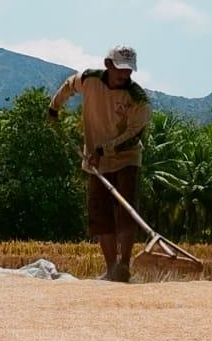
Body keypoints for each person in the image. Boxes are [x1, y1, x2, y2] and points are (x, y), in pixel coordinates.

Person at [47, 45, 152, 282]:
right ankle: (111, 267)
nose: (125, 75)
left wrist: (105, 149)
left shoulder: (138, 99)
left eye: (129, 71)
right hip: (95, 161)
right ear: (108, 65)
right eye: (121, 69)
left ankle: (124, 265)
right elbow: (68, 86)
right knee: (100, 214)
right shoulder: (89, 79)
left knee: (127, 211)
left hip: (126, 157)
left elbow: (134, 135)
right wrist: (54, 107)